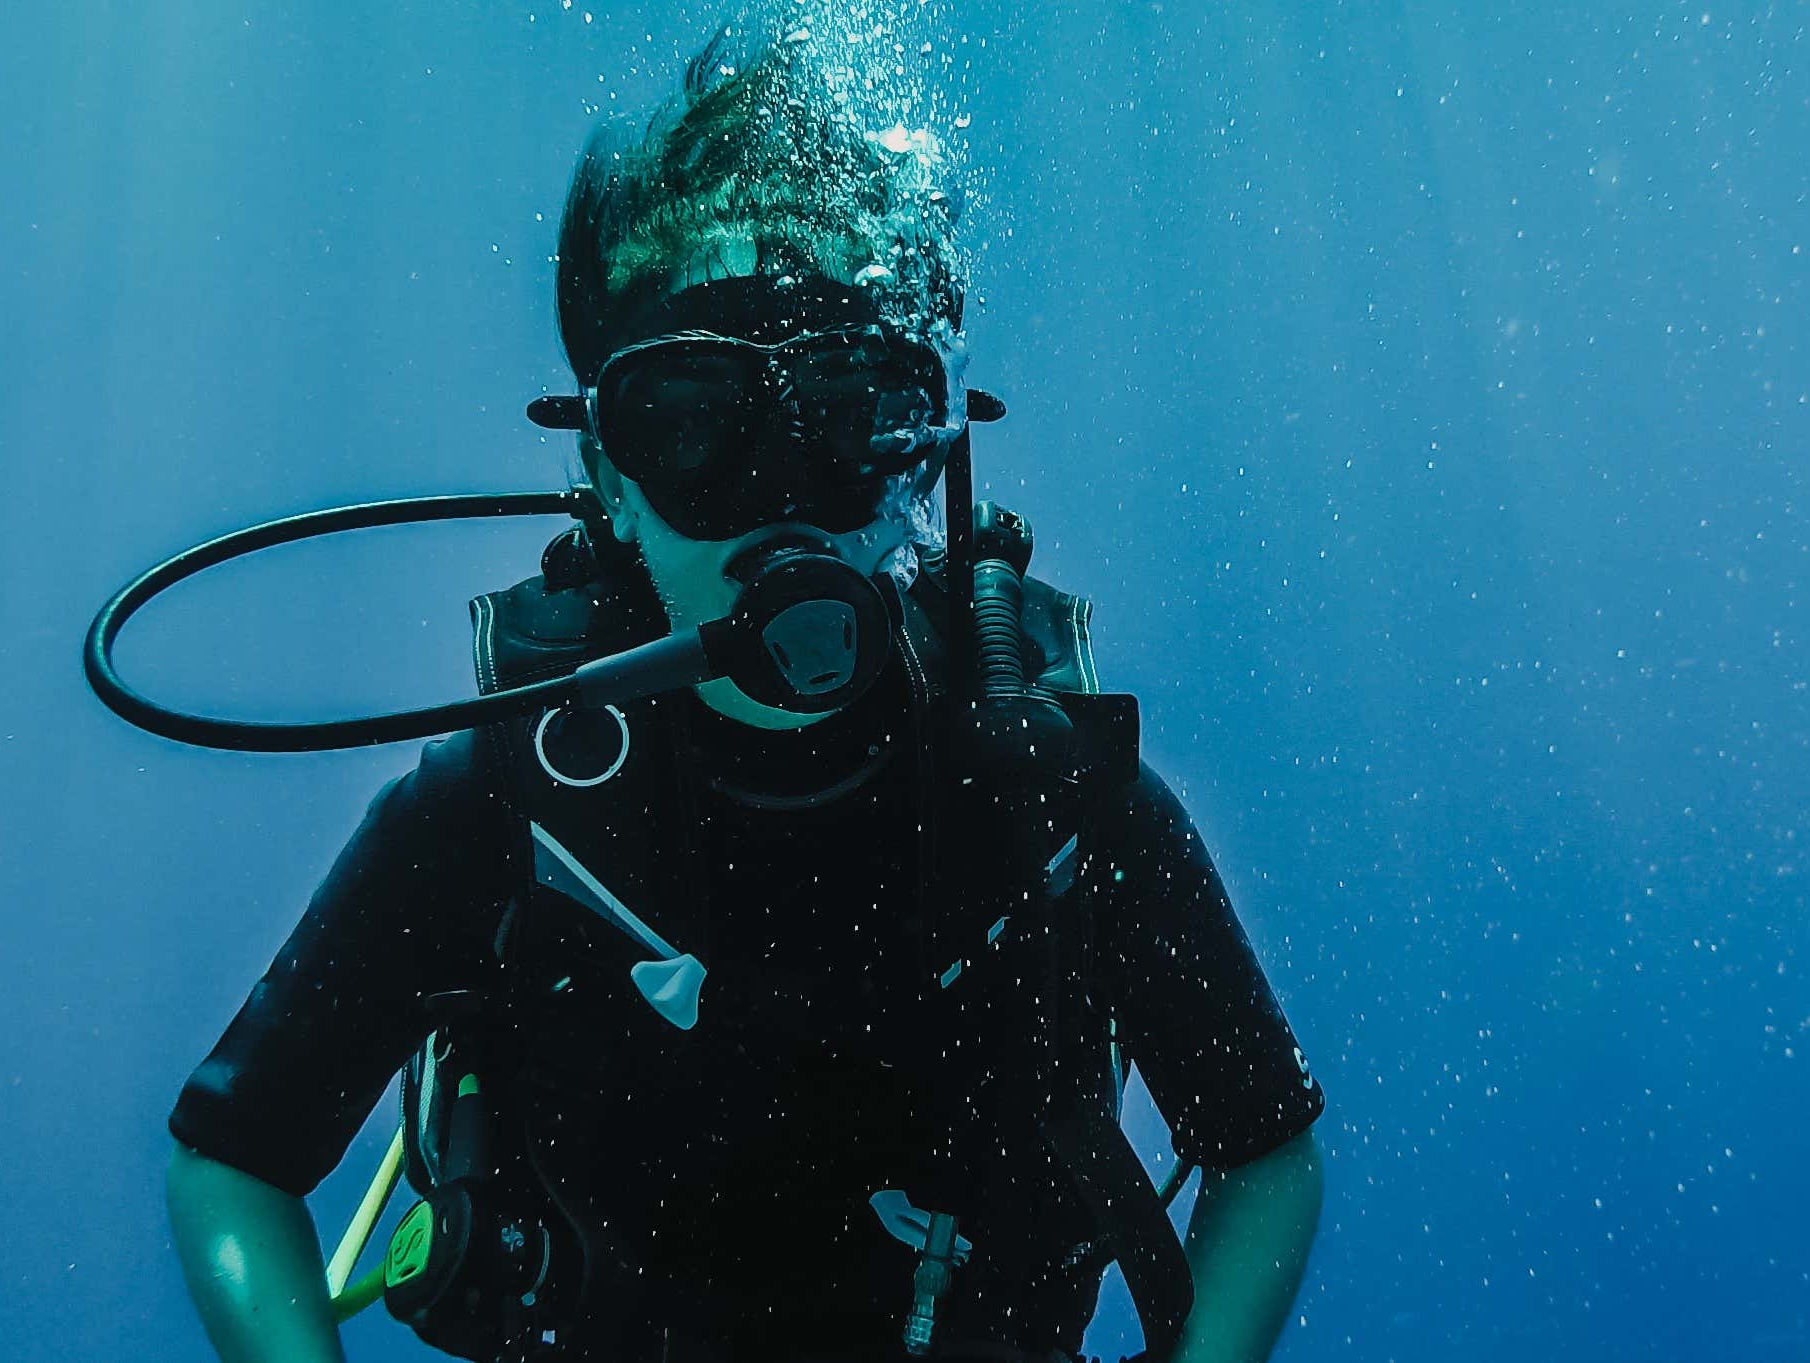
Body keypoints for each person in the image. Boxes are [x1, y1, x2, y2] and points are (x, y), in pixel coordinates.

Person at [157, 26, 1324, 1363]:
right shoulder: (505, 804)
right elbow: (232, 1160)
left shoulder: (1054, 796)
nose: (782, 495)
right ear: (606, 471)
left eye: (851, 411)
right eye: (693, 420)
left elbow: (1265, 1148)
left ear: (927, 453)